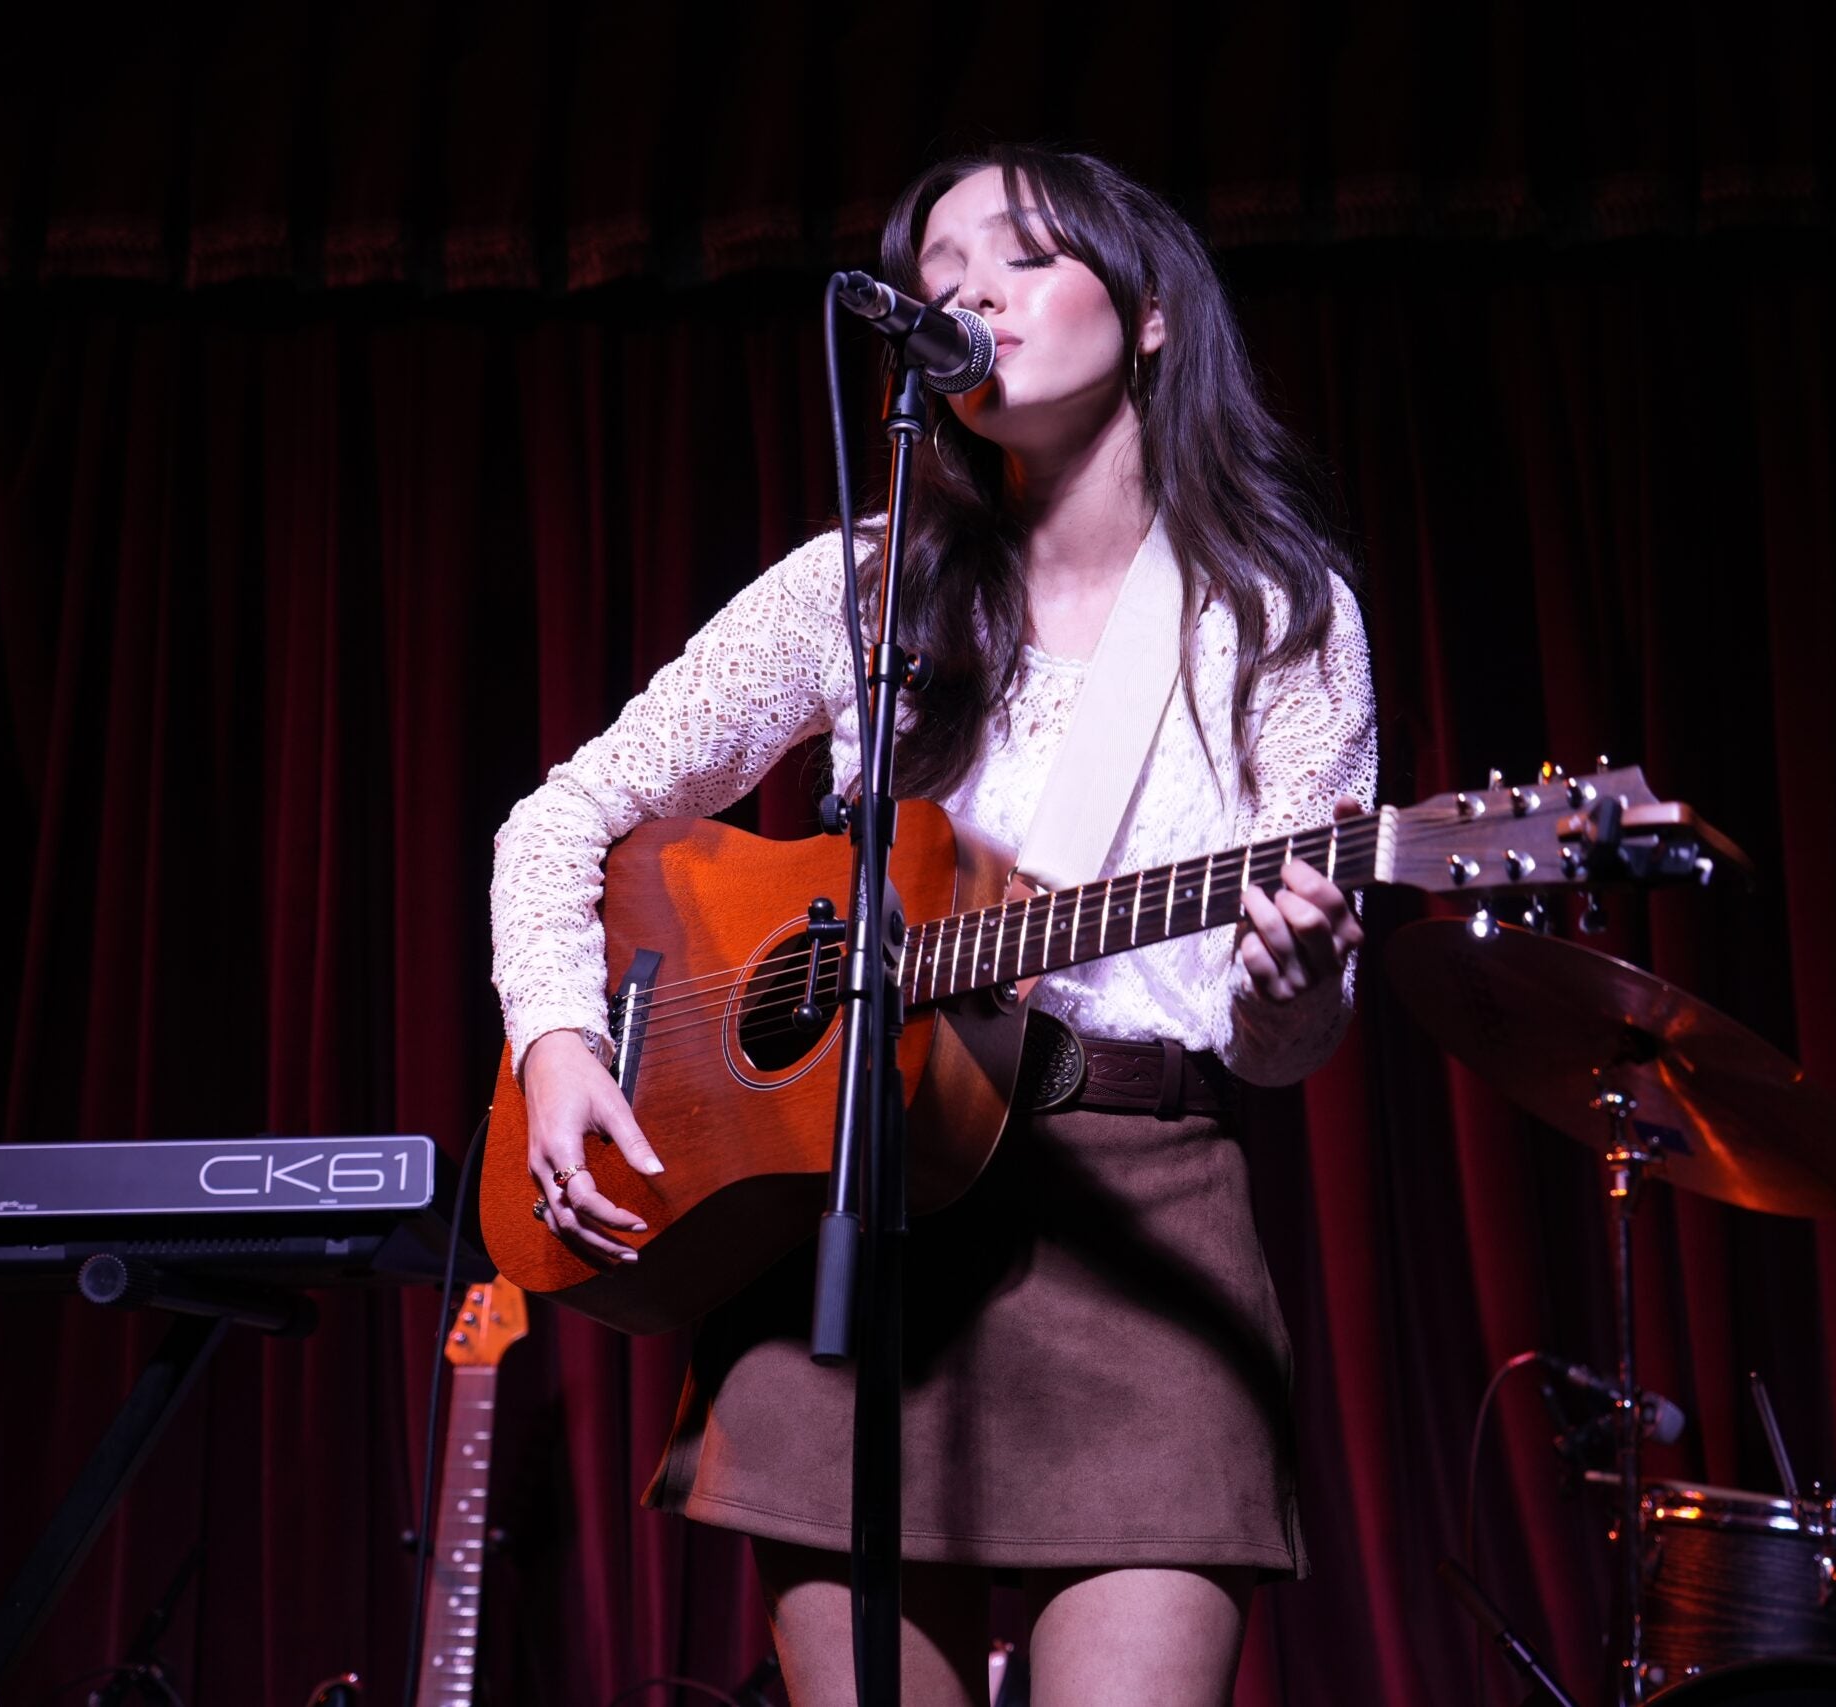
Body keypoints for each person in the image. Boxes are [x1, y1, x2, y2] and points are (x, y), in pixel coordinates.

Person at [488, 145, 1378, 1707]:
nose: (967, 291)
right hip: (859, 1217)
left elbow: (1284, 1041)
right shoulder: (865, 588)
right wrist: (561, 1037)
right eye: (939, 272)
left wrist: (1298, 984)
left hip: (1140, 1231)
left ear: (1154, 312)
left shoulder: (1275, 613)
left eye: (1022, 255)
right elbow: (564, 816)